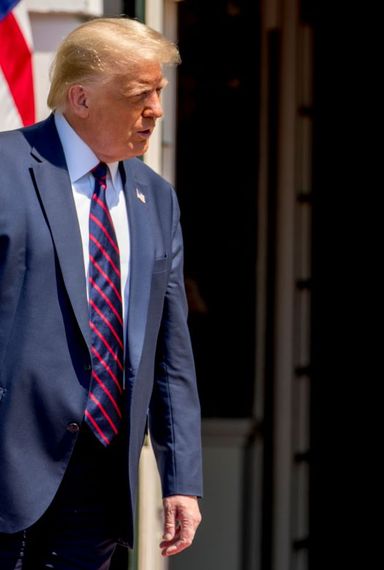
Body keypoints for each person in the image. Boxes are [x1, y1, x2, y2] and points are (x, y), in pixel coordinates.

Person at [0, 17, 202, 567]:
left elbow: (169, 350)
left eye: (158, 92)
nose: (157, 110)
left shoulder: (156, 197)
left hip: (102, 490)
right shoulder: (7, 169)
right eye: (142, 94)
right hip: (8, 479)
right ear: (80, 98)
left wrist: (181, 478)